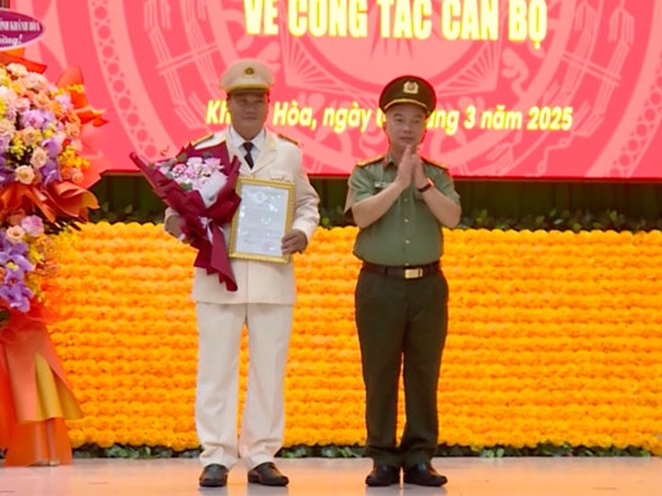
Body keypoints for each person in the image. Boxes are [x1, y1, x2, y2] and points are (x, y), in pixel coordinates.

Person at [163, 59, 320, 488]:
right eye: (242, 100)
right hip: (218, 276)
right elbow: (178, 209)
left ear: (268, 105)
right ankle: (215, 455)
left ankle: (261, 455)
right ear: (227, 104)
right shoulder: (205, 152)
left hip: (272, 277)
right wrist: (179, 229)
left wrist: (302, 233)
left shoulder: (288, 153)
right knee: (216, 369)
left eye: (258, 100)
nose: (250, 107)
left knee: (269, 370)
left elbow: (307, 204)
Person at [346, 75, 461, 487]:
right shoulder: (365, 173)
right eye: (399, 118)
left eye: (416, 119)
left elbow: (451, 217)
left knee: (423, 372)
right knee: (378, 372)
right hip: (380, 284)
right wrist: (397, 185)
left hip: (427, 287)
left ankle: (418, 457)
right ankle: (381, 456)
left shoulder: (437, 174)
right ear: (384, 123)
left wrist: (422, 184)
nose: (407, 127)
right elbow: (360, 215)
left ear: (426, 126)